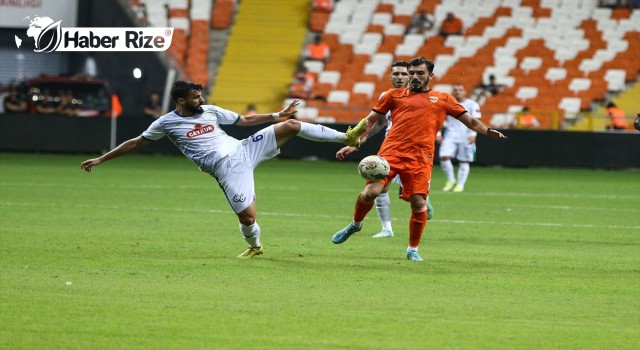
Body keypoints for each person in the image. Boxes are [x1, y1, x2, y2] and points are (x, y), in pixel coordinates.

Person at [81, 81, 361, 258]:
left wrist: (278, 115)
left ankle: (345, 136)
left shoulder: (211, 111)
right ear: (181, 100)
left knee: (291, 126)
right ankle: (256, 246)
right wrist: (102, 159)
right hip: (226, 169)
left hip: (243, 148)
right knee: (249, 218)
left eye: (201, 95)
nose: (200, 100)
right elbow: (135, 142)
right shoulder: (165, 123)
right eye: (195, 97)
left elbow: (244, 120)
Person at [331, 57, 506, 261]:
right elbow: (370, 121)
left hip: (421, 158)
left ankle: (412, 249)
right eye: (411, 73)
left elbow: (469, 121)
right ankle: (356, 225)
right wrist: (353, 143)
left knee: (418, 202)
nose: (414, 77)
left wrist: (487, 131)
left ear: (430, 75)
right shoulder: (392, 95)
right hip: (390, 154)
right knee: (371, 193)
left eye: (419, 73)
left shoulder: (443, 99)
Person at [336, 61, 434, 239]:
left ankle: (423, 201)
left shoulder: (426, 96)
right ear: (390, 77)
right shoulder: (388, 95)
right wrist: (356, 142)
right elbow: (378, 122)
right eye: (396, 74)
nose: (400, 77)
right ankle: (386, 228)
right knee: (379, 189)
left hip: (415, 152)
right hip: (392, 150)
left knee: (414, 197)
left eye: (404, 74)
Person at [437, 84, 482, 193]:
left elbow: (476, 121)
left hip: (466, 136)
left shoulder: (472, 104)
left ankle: (460, 185)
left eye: (460, 90)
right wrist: (438, 133)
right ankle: (451, 180)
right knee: (444, 156)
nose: (458, 92)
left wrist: (473, 134)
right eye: (455, 90)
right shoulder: (447, 104)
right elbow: (439, 119)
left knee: (464, 160)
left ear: (465, 91)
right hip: (450, 135)